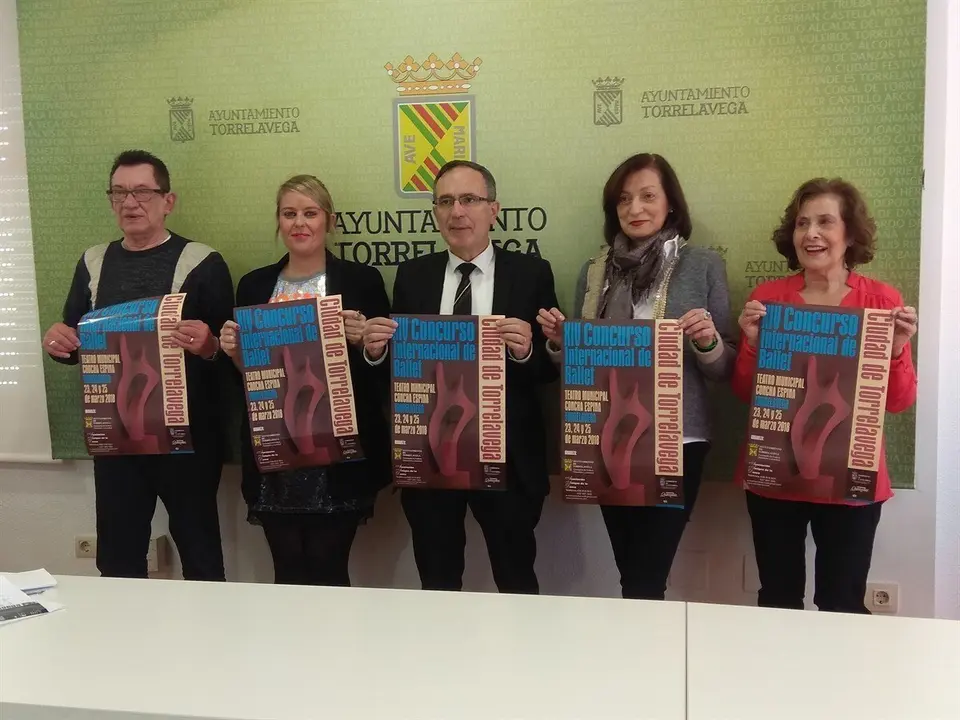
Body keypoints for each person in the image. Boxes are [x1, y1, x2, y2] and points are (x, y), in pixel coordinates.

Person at [537, 152, 736, 601]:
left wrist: (707, 342)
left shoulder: (702, 265)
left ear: (671, 203)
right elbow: (579, 368)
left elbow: (726, 367)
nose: (635, 209)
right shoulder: (594, 272)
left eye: (648, 196)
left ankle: (643, 644)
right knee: (631, 572)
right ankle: (638, 642)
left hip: (677, 440)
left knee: (647, 573)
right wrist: (560, 342)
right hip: (608, 436)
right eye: (624, 199)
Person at [362, 160, 559, 594]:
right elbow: (402, 371)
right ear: (435, 212)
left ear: (494, 209)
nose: (457, 212)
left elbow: (549, 370)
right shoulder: (413, 276)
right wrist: (376, 353)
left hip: (508, 457)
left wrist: (526, 351)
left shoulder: (531, 273)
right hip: (432, 454)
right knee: (437, 580)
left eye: (469, 199)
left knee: (516, 579)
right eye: (446, 201)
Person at [42, 149, 234, 580]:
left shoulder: (203, 262)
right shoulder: (93, 262)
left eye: (143, 192)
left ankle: (210, 626)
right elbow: (75, 340)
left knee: (201, 559)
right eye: (119, 192)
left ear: (168, 201)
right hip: (116, 440)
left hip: (188, 440)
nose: (130, 202)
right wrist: (60, 343)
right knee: (117, 560)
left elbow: (232, 355)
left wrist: (209, 346)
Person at [733, 177, 918, 613]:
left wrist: (895, 350)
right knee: (777, 599)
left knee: (842, 603)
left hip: (851, 479)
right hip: (776, 475)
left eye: (825, 222)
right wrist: (753, 343)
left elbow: (898, 402)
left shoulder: (882, 302)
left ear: (849, 234)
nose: (811, 234)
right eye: (802, 223)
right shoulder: (768, 300)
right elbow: (744, 393)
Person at [219, 174, 391, 586]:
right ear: (278, 221)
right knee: (287, 573)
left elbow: (385, 370)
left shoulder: (362, 281)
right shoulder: (254, 285)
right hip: (274, 457)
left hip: (340, 457)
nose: (299, 223)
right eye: (289, 213)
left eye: (310, 213)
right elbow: (248, 378)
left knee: (330, 570)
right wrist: (235, 353)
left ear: (329, 220)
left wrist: (366, 344)